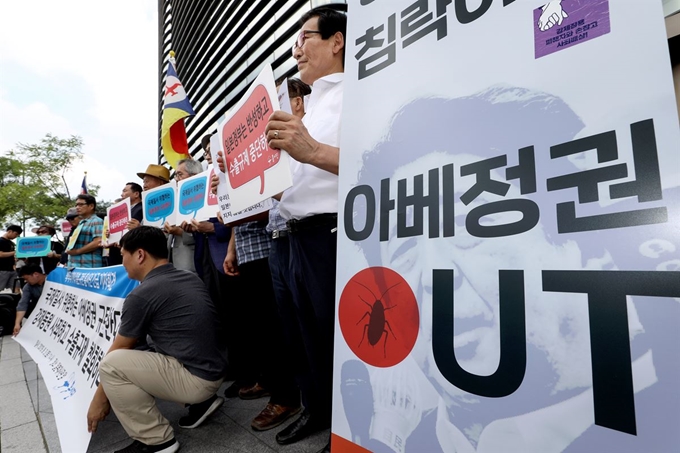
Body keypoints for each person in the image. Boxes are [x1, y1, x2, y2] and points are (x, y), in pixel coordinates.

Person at [343, 88, 676, 453]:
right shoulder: (405, 441)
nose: (436, 274)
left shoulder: (665, 417)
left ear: (589, 246)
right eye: (405, 246)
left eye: (468, 223)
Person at [263, 6, 346, 452]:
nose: (296, 49)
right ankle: (316, 409)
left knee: (335, 338)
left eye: (304, 37)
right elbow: (291, 189)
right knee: (304, 337)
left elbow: (374, 164)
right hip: (293, 235)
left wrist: (311, 149)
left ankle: (348, 428)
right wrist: (240, 181)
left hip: (333, 235)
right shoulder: (307, 105)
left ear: (337, 42)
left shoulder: (360, 93)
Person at [86, 226, 227, 453]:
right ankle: (202, 403)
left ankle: (157, 441)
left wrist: (98, 400)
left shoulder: (142, 295)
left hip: (198, 380)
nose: (122, 263)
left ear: (140, 255)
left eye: (123, 255)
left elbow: (119, 349)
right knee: (142, 344)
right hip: (214, 369)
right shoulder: (188, 275)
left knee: (112, 365)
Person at [165, 158, 202, 273]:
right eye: (175, 175)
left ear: (194, 175)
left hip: (192, 260)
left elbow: (204, 230)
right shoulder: (175, 200)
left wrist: (181, 232)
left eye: (180, 174)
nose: (176, 179)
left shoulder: (201, 197)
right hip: (172, 260)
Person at [66, 194, 104, 268]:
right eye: (76, 205)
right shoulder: (81, 222)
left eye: (81, 205)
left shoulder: (96, 221)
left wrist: (77, 251)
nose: (77, 207)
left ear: (91, 206)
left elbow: (98, 241)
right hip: (75, 266)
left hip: (88, 266)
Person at [12, 264, 45, 336]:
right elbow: (23, 304)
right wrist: (17, 324)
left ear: (36, 274)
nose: (25, 281)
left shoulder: (53, 281)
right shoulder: (28, 287)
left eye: (27, 279)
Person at [0, 225, 22, 290]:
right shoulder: (1, 241)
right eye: (16, 234)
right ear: (10, 231)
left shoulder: (11, 243)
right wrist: (15, 252)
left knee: (16, 287)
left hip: (11, 269)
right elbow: (1, 254)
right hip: (2, 270)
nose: (16, 236)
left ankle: (17, 299)